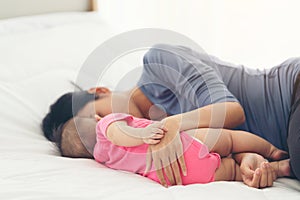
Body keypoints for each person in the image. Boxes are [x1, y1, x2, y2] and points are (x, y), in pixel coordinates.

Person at [42, 44, 300, 187]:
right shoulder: (158, 145)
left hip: (291, 92)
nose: (113, 136)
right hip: (285, 139)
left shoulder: (159, 62)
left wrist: (172, 124)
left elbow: (232, 111)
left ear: (99, 91)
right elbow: (227, 142)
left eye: (100, 117)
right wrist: (248, 161)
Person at [57, 113, 290, 188]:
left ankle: (277, 169)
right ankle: (271, 149)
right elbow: (117, 132)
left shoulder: (105, 159)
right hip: (184, 144)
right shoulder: (104, 125)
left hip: (184, 175)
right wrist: (141, 134)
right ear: (95, 119)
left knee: (235, 172)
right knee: (229, 139)